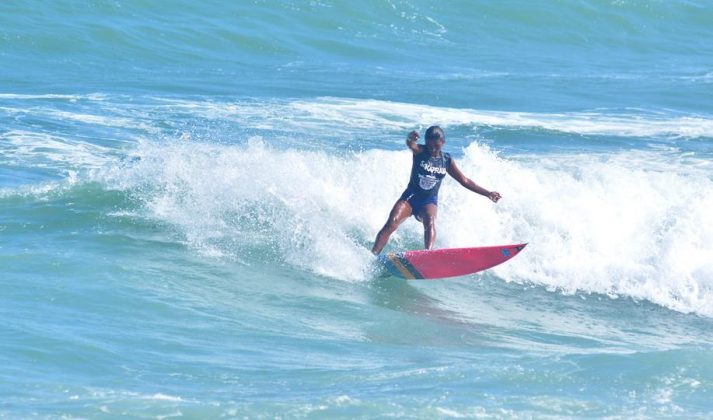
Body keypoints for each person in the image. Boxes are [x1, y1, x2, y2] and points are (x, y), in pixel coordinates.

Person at [371, 126, 501, 255]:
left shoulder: (446, 160)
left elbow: (464, 181)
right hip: (410, 198)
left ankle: (428, 255)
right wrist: (410, 138)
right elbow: (411, 144)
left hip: (428, 201)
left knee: (430, 221)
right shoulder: (420, 152)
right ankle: (374, 255)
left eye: (436, 145)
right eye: (430, 145)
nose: (432, 148)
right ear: (426, 143)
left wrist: (487, 193)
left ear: (443, 143)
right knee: (392, 223)